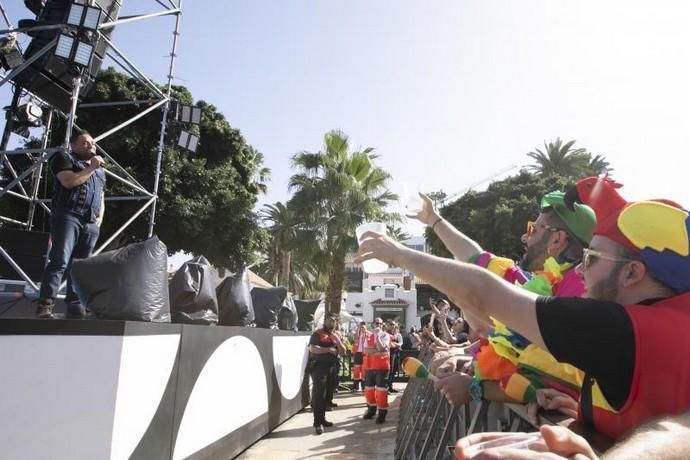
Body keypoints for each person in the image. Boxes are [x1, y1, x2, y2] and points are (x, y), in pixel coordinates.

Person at [354, 175, 690, 441]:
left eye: (592, 257)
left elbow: (484, 291)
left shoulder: (618, 329)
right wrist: (581, 415)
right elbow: (480, 266)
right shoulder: (661, 323)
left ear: (633, 272)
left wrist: (399, 255)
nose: (582, 268)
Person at [414, 191, 596, 408]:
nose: (524, 237)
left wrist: (475, 389)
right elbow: (477, 259)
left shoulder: (580, 288)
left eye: (532, 229)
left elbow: (559, 379)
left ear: (557, 239)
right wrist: (433, 219)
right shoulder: (534, 281)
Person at [36, 131, 106, 319]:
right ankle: (45, 305)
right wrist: (90, 168)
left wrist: (100, 217)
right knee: (60, 260)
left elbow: (100, 195)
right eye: (84, 143)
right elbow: (68, 182)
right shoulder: (64, 158)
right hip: (69, 215)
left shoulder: (100, 170)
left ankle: (75, 305)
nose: (90, 145)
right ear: (74, 146)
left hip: (90, 222)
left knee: (81, 266)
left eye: (92, 142)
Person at [308, 313, 345, 435]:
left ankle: (323, 419)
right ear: (325, 321)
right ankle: (317, 423)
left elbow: (343, 351)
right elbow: (313, 349)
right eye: (329, 320)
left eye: (333, 321)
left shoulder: (337, 335)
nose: (331, 322)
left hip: (332, 368)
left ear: (336, 323)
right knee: (319, 395)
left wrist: (338, 340)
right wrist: (328, 350)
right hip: (319, 368)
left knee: (328, 395)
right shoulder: (318, 333)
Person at [362, 317, 391, 423]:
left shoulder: (385, 335)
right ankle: (371, 410)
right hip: (370, 367)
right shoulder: (368, 336)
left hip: (382, 367)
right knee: (368, 390)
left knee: (381, 391)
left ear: (382, 325)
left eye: (380, 323)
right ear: (373, 324)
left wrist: (377, 337)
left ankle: (382, 413)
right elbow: (366, 350)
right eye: (376, 323)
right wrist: (378, 351)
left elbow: (383, 349)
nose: (378, 325)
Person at [352, 321, 368, 392]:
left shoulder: (368, 334)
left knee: (364, 370)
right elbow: (354, 341)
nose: (362, 328)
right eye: (361, 326)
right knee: (356, 370)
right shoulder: (357, 334)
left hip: (365, 354)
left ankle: (363, 387)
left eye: (363, 327)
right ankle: (355, 387)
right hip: (357, 353)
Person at [387, 322, 403, 393]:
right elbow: (388, 343)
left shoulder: (398, 335)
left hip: (396, 353)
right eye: (391, 325)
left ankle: (390, 386)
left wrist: (395, 344)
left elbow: (400, 343)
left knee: (394, 370)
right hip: (389, 353)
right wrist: (394, 344)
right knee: (390, 370)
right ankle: (387, 386)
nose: (392, 326)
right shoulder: (387, 334)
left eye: (394, 325)